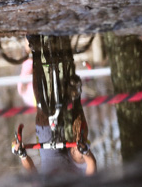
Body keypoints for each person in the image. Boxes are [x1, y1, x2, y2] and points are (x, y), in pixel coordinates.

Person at [11, 36, 97, 179]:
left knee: (43, 114)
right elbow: (91, 166)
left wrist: (22, 155)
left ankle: (36, 54)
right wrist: (86, 152)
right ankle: (75, 98)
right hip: (73, 162)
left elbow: (32, 172)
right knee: (78, 148)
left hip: (50, 154)